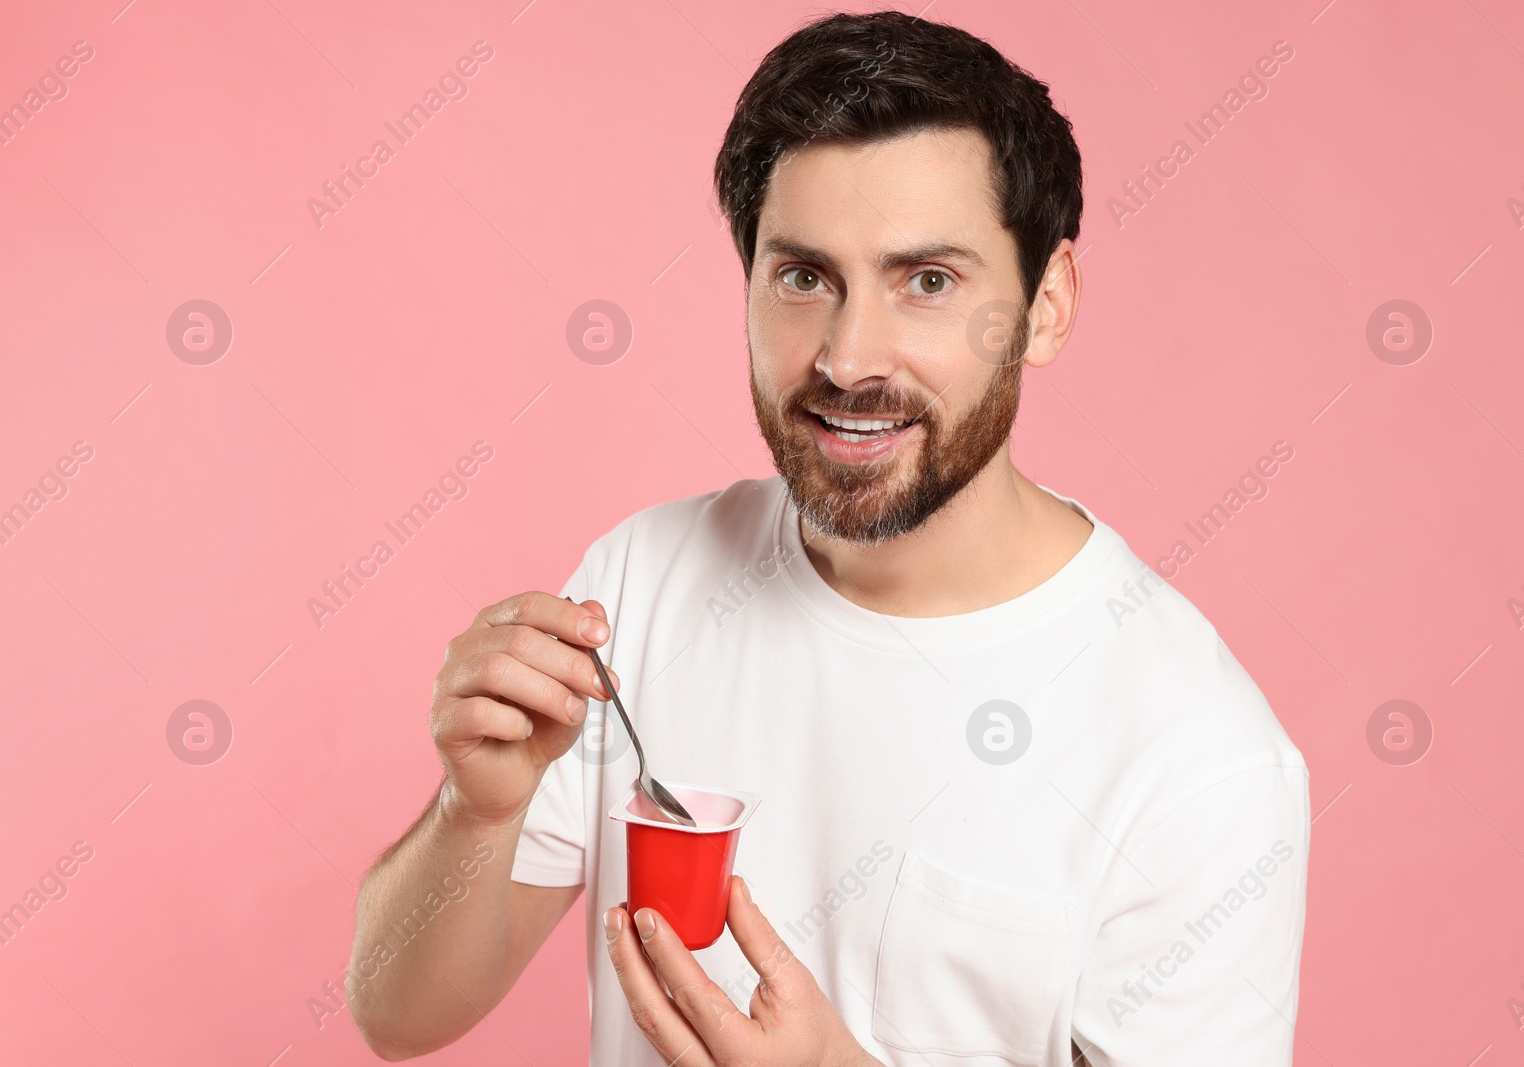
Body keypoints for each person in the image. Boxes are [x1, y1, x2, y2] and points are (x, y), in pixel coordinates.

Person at [348, 10, 1309, 1065]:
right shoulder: (643, 582)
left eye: (927, 282)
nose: (850, 358)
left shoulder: (1196, 753)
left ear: (1045, 304)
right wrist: (475, 813)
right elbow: (398, 1015)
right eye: (804, 276)